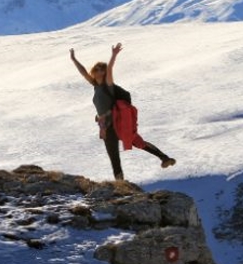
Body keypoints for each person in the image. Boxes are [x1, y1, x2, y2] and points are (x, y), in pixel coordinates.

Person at [70, 43, 175, 181]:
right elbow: (83, 72)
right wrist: (73, 59)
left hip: (115, 121)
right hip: (105, 125)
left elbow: (111, 68)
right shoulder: (96, 86)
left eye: (102, 69)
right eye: (97, 68)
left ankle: (164, 158)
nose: (99, 71)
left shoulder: (108, 85)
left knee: (136, 141)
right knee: (113, 154)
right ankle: (120, 181)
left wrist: (113, 55)